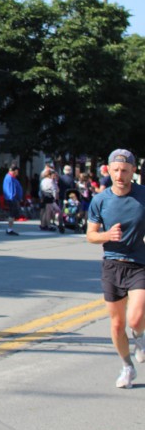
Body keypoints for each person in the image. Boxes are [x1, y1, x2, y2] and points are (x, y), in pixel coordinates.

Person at [86, 148, 145, 389]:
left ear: (133, 171)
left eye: (125, 170)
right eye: (116, 170)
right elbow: (90, 235)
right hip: (112, 265)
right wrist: (106, 235)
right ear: (109, 171)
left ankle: (139, 337)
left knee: (136, 318)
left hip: (139, 264)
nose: (120, 175)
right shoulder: (100, 200)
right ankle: (127, 367)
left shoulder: (143, 196)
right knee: (118, 324)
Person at [3, 163, 22, 236]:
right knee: (12, 214)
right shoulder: (10, 178)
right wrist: (12, 198)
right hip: (11, 199)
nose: (18, 173)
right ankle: (9, 229)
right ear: (15, 171)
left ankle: (10, 229)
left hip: (13, 198)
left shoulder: (12, 178)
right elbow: (10, 190)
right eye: (17, 171)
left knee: (13, 214)